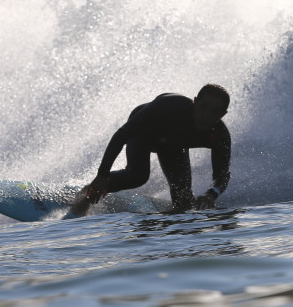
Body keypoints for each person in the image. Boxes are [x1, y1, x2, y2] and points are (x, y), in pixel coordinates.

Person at [72, 84, 231, 215]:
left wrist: (211, 194)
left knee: (183, 200)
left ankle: (173, 243)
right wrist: (102, 175)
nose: (206, 116)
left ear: (222, 114)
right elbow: (121, 135)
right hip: (144, 132)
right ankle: (85, 195)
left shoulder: (220, 136)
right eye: (203, 107)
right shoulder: (170, 106)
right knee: (138, 175)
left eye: (214, 112)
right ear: (195, 102)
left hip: (173, 147)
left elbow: (222, 176)